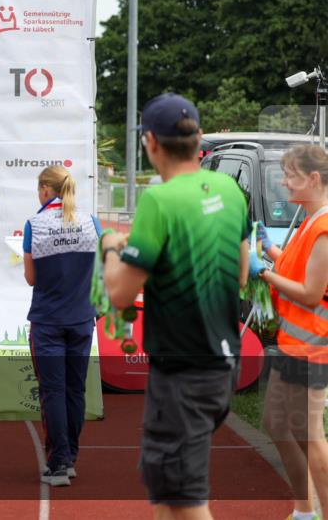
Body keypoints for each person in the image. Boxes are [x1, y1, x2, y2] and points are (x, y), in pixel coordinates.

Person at [101, 93, 250, 519]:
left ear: (151, 142)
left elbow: (119, 294)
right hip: (223, 362)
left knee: (187, 501)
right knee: (167, 493)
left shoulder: (159, 201)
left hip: (183, 371)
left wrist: (112, 248)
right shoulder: (228, 188)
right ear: (198, 137)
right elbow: (240, 275)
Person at [251, 145, 328, 520]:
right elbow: (297, 269)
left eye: (291, 175)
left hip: (313, 349)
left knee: (311, 436)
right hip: (293, 345)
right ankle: (303, 509)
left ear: (313, 179)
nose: (284, 182)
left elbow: (311, 293)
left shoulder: (324, 227)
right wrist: (272, 251)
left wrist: (262, 272)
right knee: (277, 424)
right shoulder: (311, 221)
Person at [22, 165, 101, 487]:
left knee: (52, 391)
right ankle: (70, 458)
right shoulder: (91, 222)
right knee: (74, 389)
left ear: (44, 189)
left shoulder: (34, 224)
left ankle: (58, 462)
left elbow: (31, 278)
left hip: (48, 320)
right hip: (82, 318)